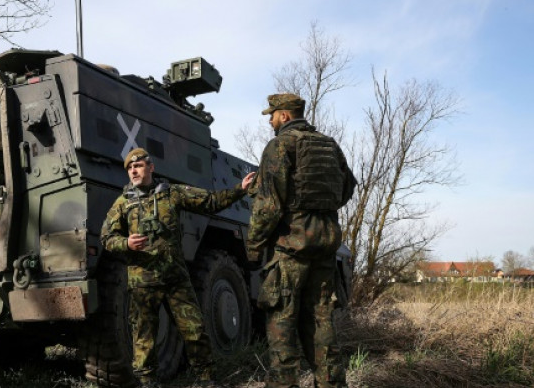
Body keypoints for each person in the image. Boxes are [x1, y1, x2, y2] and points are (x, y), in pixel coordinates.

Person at [100, 148, 256, 388]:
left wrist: (239, 190)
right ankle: (148, 381)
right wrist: (126, 243)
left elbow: (210, 202)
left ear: (151, 167)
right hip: (142, 282)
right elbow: (107, 238)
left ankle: (205, 378)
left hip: (175, 278)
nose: (133, 171)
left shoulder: (171, 194)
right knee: (144, 336)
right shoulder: (122, 204)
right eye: (130, 168)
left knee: (194, 328)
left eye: (138, 166)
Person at [247, 93, 356, 388]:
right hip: (324, 247)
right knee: (321, 323)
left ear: (284, 115)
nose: (270, 120)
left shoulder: (280, 145)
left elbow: (268, 205)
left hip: (290, 249)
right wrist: (319, 210)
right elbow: (347, 187)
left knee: (282, 325)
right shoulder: (330, 144)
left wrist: (254, 246)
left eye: (272, 115)